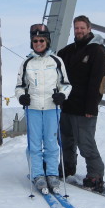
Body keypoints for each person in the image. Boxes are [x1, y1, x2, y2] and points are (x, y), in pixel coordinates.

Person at [15, 23, 71, 194]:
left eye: (41, 40)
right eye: (35, 40)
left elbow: (66, 84)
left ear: (47, 41)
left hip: (51, 108)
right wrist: (21, 96)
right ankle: (38, 175)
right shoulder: (26, 63)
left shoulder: (56, 61)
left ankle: (52, 174)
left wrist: (62, 95)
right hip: (32, 108)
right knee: (34, 143)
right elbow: (19, 86)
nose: (38, 43)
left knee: (51, 142)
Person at [57, 15, 105, 192]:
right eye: (76, 28)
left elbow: (98, 82)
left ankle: (95, 175)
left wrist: (91, 107)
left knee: (85, 143)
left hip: (84, 108)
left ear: (89, 28)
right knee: (66, 141)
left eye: (82, 28)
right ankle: (67, 168)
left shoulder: (97, 51)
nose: (79, 31)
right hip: (67, 106)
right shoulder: (68, 51)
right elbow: (55, 65)